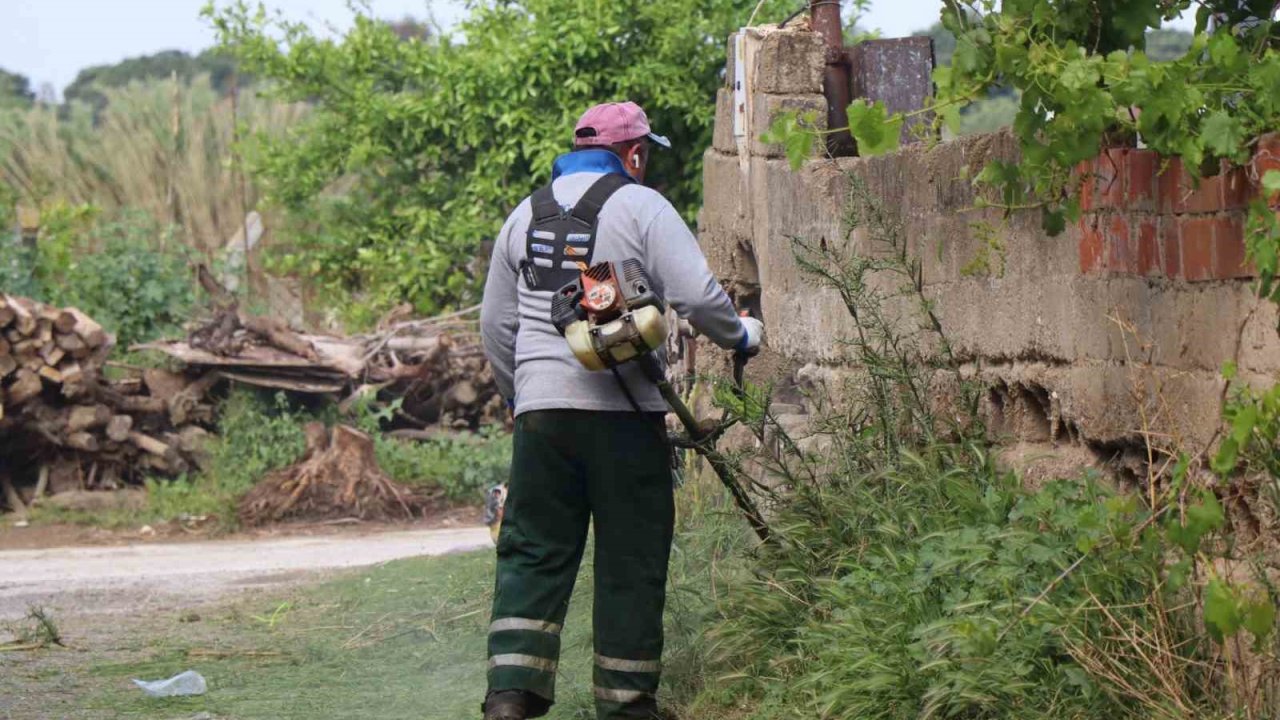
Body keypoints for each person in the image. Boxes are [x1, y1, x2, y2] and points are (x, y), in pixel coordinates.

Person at [478, 101, 764, 720]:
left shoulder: (522, 215)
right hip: (624, 416)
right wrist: (741, 336)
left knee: (533, 548)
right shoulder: (641, 205)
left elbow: (495, 326)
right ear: (633, 154)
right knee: (630, 553)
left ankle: (511, 694)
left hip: (541, 416)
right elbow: (695, 294)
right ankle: (627, 703)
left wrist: (520, 396)